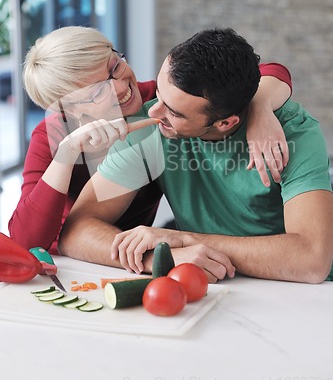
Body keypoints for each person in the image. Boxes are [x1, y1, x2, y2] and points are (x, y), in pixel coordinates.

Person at [58, 28, 332, 285]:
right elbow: (75, 232)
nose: (154, 112)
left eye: (174, 112)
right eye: (159, 94)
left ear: (225, 122)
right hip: (208, 286)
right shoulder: (150, 128)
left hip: (296, 294)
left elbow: (312, 259)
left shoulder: (294, 134)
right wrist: (162, 257)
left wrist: (182, 239)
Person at [10, 26, 291, 256]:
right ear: (69, 110)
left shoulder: (153, 102)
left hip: (137, 250)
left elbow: (260, 72)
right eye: (97, 93)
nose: (121, 87)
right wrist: (67, 154)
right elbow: (25, 240)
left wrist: (260, 108)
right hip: (75, 259)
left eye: (114, 67)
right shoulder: (51, 136)